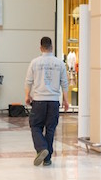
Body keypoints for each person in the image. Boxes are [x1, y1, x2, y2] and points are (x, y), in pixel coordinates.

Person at [24, 36, 69, 166]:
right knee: (50, 129)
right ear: (52, 47)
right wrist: (66, 100)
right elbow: (64, 83)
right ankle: (47, 159)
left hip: (39, 100)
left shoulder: (35, 62)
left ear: (41, 48)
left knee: (35, 126)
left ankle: (42, 148)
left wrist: (27, 96)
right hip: (54, 101)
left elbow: (28, 81)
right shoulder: (59, 63)